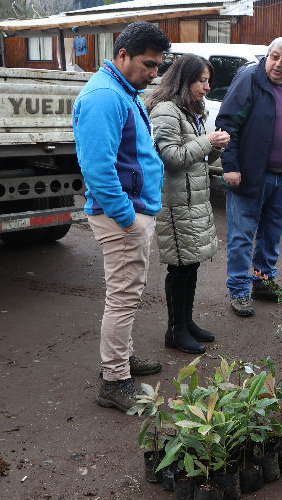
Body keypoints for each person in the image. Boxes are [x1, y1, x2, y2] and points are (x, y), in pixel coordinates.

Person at [72, 21, 171, 413]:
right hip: (122, 218)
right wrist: (127, 218)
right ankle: (114, 381)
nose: (153, 73)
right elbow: (97, 168)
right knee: (123, 298)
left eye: (157, 66)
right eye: (148, 64)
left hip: (130, 212)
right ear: (122, 55)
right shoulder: (104, 97)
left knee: (126, 295)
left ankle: (122, 359)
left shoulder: (121, 90)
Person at [215, 36, 282, 317]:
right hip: (251, 174)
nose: (277, 64)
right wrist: (230, 166)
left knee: (271, 235)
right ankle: (238, 290)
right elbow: (227, 124)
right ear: (267, 56)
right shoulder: (250, 79)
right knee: (241, 236)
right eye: (274, 57)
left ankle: (263, 282)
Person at [145, 54, 230, 355]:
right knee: (179, 269)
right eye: (202, 81)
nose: (207, 87)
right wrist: (208, 142)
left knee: (190, 266)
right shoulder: (166, 111)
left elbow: (199, 160)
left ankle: (186, 322)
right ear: (184, 80)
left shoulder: (190, 110)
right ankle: (175, 330)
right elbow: (172, 158)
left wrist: (216, 147)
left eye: (209, 81)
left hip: (192, 201)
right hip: (175, 203)